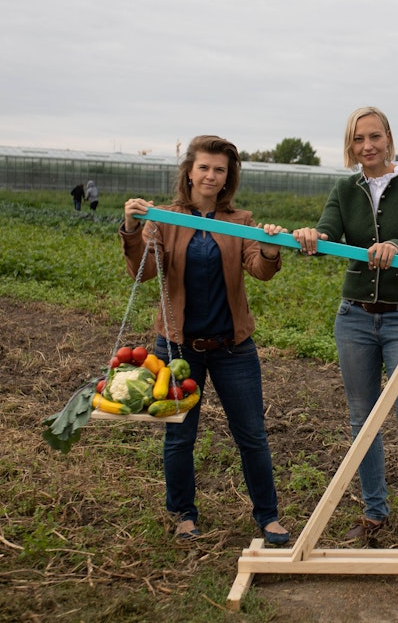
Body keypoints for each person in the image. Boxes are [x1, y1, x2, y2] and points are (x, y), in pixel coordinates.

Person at [120, 135, 292, 546]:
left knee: (251, 433)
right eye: (204, 167)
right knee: (180, 435)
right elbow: (141, 273)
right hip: (178, 346)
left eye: (220, 169)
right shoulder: (164, 219)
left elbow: (260, 270)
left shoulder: (239, 221)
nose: (212, 175)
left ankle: (268, 518)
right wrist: (131, 228)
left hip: (233, 348)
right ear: (190, 172)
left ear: (228, 176)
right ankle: (183, 515)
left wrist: (269, 249)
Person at [292, 107, 398, 548]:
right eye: (359, 140)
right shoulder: (345, 188)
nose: (367, 146)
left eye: (374, 137)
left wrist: (397, 246)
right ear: (350, 145)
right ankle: (375, 512)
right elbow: (327, 234)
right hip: (354, 318)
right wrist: (311, 238)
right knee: (364, 421)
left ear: (389, 138)